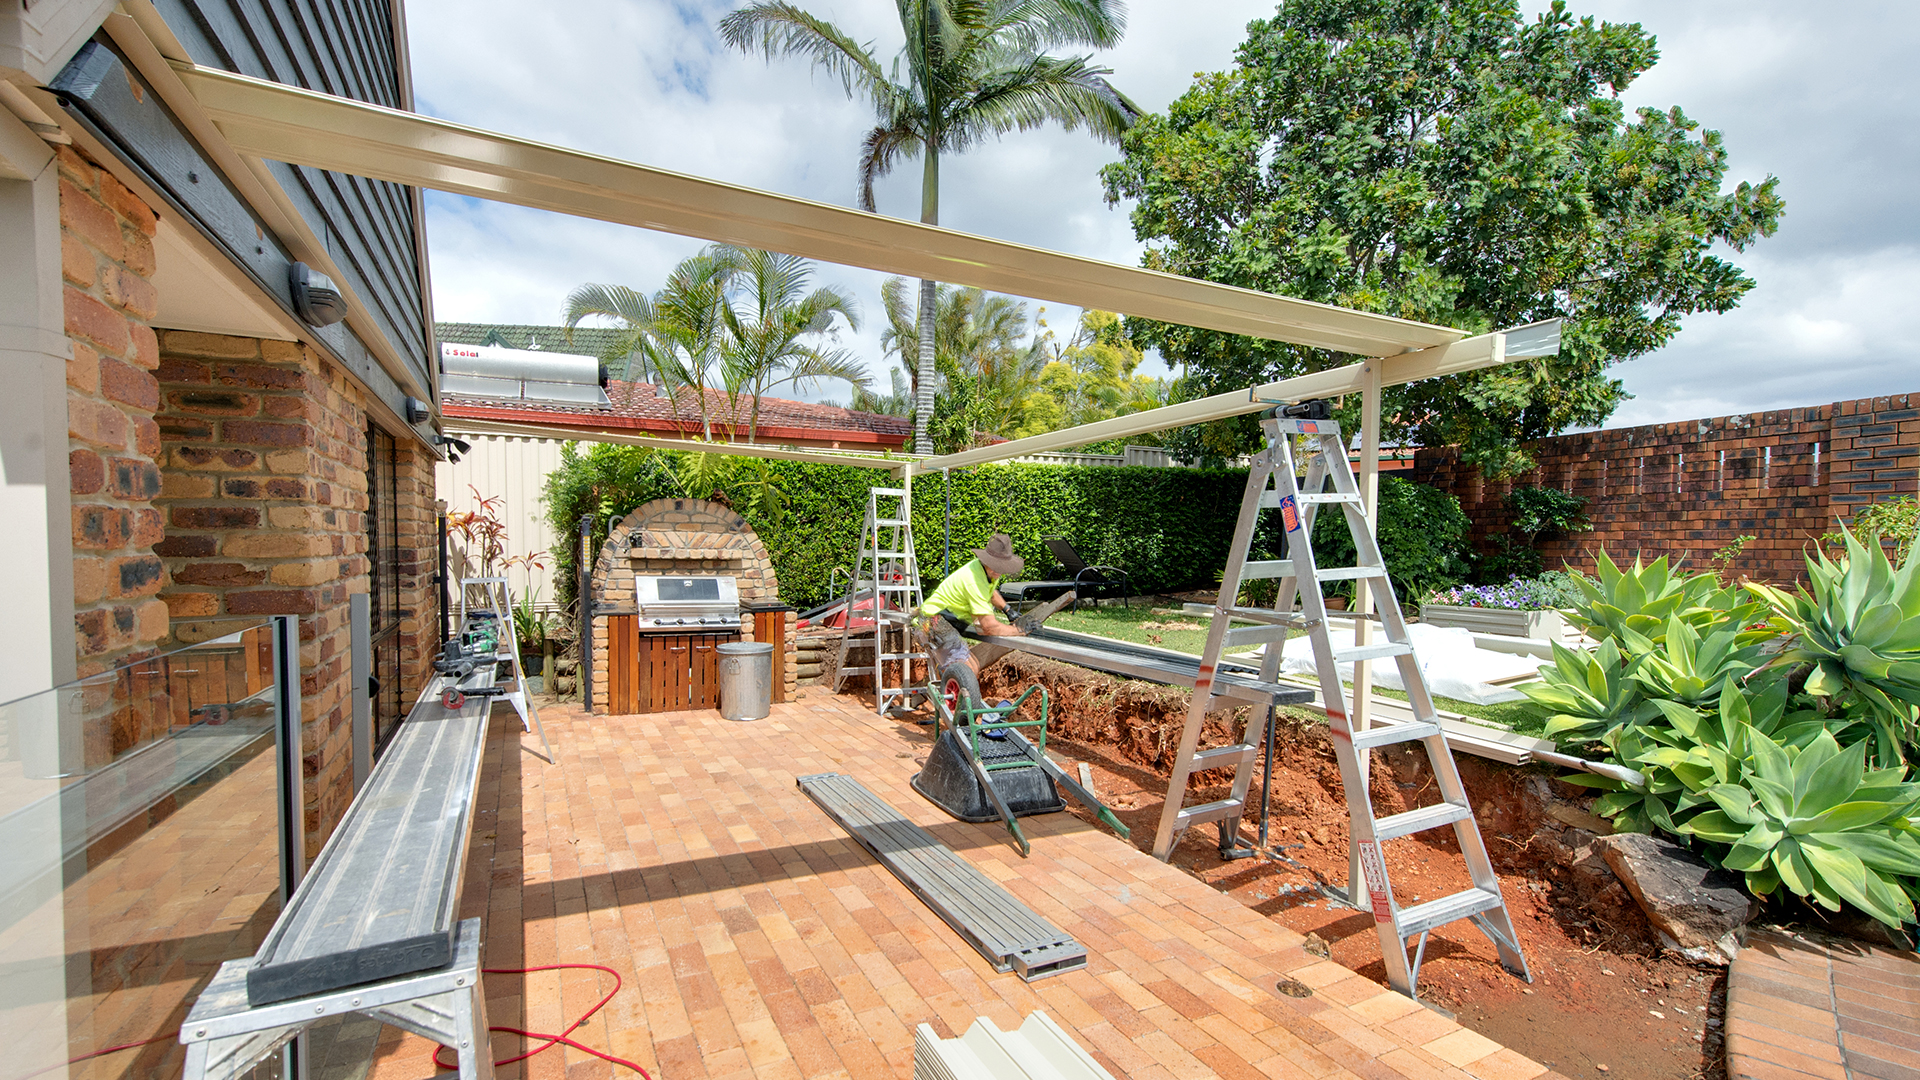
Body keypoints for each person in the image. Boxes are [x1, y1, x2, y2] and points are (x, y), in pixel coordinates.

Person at [912, 533, 1025, 699]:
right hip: (933, 621)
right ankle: (959, 717)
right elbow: (988, 626)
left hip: (947, 621)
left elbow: (991, 592)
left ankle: (932, 694)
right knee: (965, 671)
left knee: (973, 666)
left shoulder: (986, 571)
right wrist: (1019, 630)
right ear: (990, 563)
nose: (1000, 570)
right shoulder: (974, 580)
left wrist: (1007, 609)